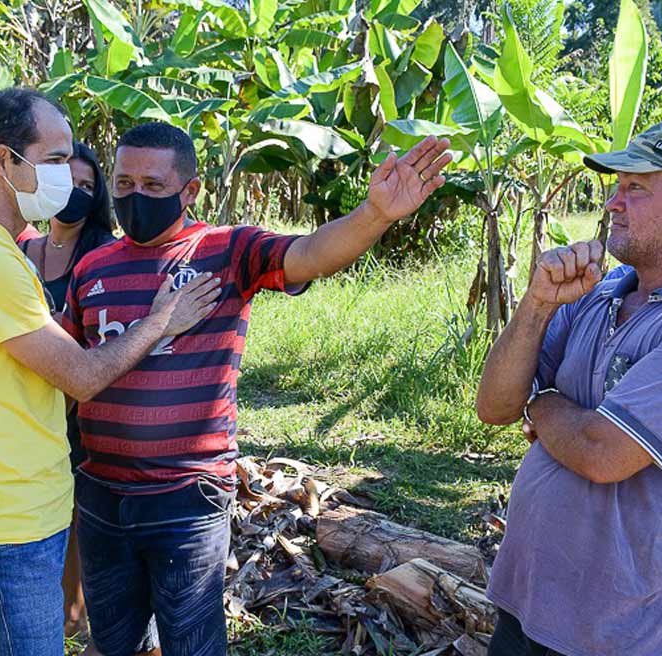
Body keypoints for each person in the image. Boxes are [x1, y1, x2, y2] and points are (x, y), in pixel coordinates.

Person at [61, 121, 451, 656]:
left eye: (153, 186)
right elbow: (67, 369)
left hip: (185, 497)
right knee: (113, 640)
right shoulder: (92, 266)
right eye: (124, 184)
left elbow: (310, 253)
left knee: (192, 643)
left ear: (190, 190)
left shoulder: (226, 251)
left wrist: (375, 214)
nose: (135, 197)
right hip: (103, 494)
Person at [0, 88, 221, 656]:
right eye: (55, 161)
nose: (67, 176)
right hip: (6, 525)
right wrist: (160, 321)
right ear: (6, 161)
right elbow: (81, 377)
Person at [476, 120, 662, 656]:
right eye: (617, 187)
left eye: (635, 188)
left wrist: (541, 404)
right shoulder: (603, 291)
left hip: (620, 631)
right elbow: (495, 406)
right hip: (527, 599)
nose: (613, 203)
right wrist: (539, 303)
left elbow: (601, 452)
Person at [20, 140, 159, 652]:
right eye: (65, 182)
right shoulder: (24, 250)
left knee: (80, 509)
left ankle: (73, 611)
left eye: (85, 186)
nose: (73, 195)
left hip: (86, 406)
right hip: (33, 406)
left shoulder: (103, 252)